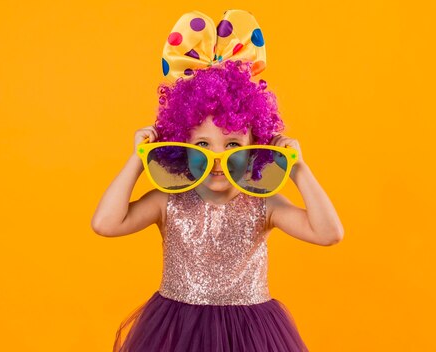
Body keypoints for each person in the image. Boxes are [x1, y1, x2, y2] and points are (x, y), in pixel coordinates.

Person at [91, 9, 344, 351]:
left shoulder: (263, 203)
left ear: (256, 147)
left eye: (233, 145)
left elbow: (329, 233)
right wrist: (139, 159)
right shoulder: (169, 201)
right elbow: (105, 223)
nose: (217, 159)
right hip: (177, 332)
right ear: (179, 143)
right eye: (202, 144)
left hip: (251, 335)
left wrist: (297, 168)